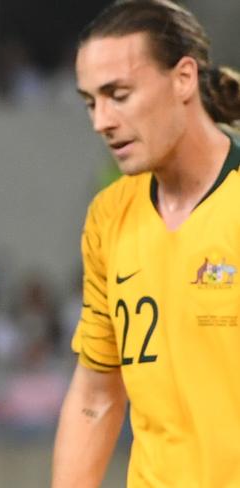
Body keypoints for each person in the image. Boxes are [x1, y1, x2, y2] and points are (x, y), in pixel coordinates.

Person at [52, 1, 240, 486]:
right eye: (91, 101)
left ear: (183, 79)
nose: (102, 121)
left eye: (119, 94)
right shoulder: (109, 216)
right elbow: (96, 396)